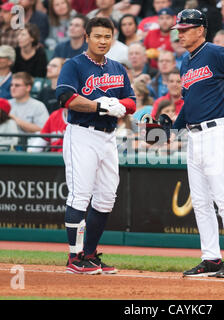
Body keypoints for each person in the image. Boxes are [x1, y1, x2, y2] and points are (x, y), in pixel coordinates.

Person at [171, 9, 224, 278]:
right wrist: (170, 130)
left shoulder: (216, 52)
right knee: (200, 200)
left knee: (223, 197)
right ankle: (210, 257)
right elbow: (189, 104)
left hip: (217, 132)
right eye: (179, 29)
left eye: (186, 28)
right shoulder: (186, 63)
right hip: (195, 135)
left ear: (200, 30)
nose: (181, 33)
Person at [55, 17, 136, 275]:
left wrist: (122, 106)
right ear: (87, 37)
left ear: (113, 39)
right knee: (80, 194)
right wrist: (100, 105)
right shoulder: (74, 65)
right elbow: (66, 97)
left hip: (109, 136)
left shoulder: (117, 68)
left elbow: (132, 101)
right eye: (97, 36)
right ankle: (74, 256)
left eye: (107, 36)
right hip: (82, 133)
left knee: (106, 197)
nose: (102, 41)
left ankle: (89, 254)